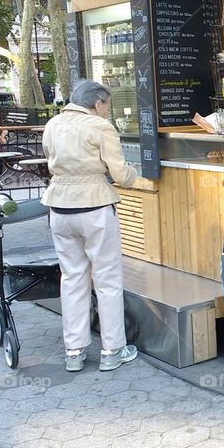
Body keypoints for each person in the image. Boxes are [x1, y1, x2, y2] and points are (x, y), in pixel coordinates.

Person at [42, 80, 141, 372]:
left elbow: (51, 160)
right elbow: (120, 174)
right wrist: (135, 175)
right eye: (107, 106)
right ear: (97, 104)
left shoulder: (53, 124)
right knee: (107, 278)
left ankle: (74, 352)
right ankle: (112, 350)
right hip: (94, 206)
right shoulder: (100, 127)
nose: (107, 112)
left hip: (59, 207)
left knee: (72, 278)